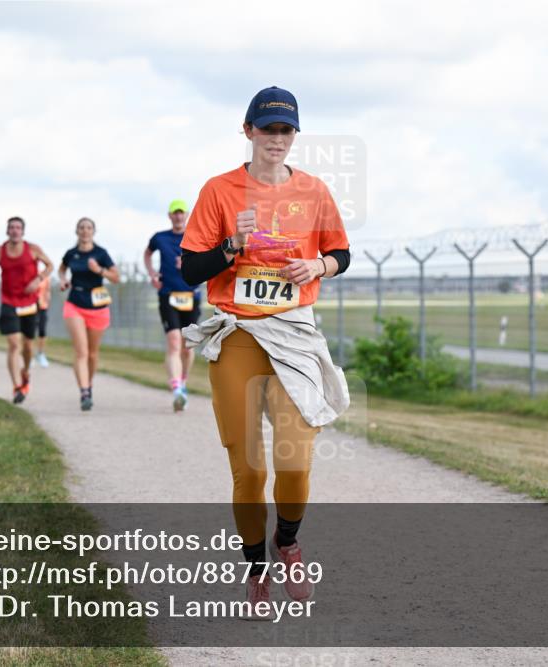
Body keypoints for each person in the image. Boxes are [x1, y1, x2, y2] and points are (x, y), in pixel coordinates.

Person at [179, 86, 351, 617]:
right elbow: (189, 271)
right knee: (249, 469)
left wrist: (317, 267)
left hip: (293, 331)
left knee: (295, 461)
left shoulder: (316, 191)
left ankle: (288, 542)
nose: (277, 138)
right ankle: (257, 570)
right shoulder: (219, 190)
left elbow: (341, 252)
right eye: (267, 128)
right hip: (238, 335)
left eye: (286, 130)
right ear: (248, 130)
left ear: (294, 135)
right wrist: (231, 245)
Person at [145, 199, 203, 411]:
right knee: (174, 342)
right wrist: (152, 274)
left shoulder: (197, 235)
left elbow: (207, 258)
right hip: (168, 294)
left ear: (186, 215)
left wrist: (190, 264)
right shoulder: (160, 238)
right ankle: (176, 389)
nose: (178, 216)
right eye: (174, 213)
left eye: (181, 213)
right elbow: (147, 253)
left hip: (191, 295)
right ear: (170, 216)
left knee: (188, 346)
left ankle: (184, 381)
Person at [0, 216, 54, 404]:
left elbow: (50, 265)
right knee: (13, 344)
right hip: (9, 301)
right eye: (11, 227)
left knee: (27, 346)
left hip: (29, 302)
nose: (15, 230)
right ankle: (17, 386)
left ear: (23, 231)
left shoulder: (33, 249)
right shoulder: (0, 251)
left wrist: (38, 279)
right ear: (7, 231)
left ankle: (25, 371)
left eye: (18, 227)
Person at [58, 217, 119, 411]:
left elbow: (116, 277)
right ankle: (84, 392)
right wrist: (63, 280)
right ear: (77, 231)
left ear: (94, 231)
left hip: (97, 307)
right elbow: (62, 270)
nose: (85, 231)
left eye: (89, 228)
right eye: (82, 228)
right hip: (75, 303)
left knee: (92, 354)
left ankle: (88, 385)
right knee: (81, 352)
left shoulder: (101, 253)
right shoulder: (71, 253)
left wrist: (99, 270)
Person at [35, 274, 52, 368]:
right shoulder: (27, 272)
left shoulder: (44, 275)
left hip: (42, 306)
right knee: (28, 331)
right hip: (30, 305)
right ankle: (27, 354)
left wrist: (47, 300)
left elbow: (48, 290)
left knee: (42, 330)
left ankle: (40, 354)